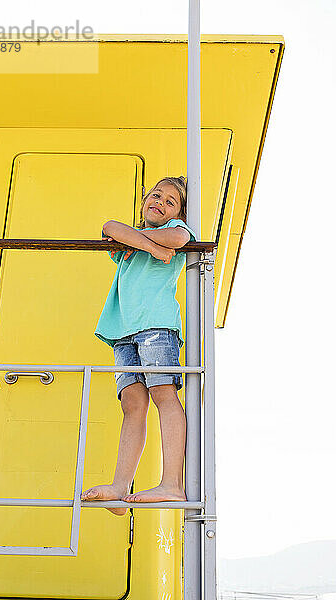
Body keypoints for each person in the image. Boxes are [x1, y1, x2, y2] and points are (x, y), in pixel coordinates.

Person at [81, 176, 196, 516]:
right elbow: (110, 225)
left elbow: (177, 238)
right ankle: (120, 486)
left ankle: (171, 483)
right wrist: (152, 247)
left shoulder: (174, 230)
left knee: (164, 393)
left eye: (171, 201)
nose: (160, 202)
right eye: (155, 195)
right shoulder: (131, 238)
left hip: (156, 325)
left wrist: (146, 242)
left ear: (179, 213)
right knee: (132, 404)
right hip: (123, 330)